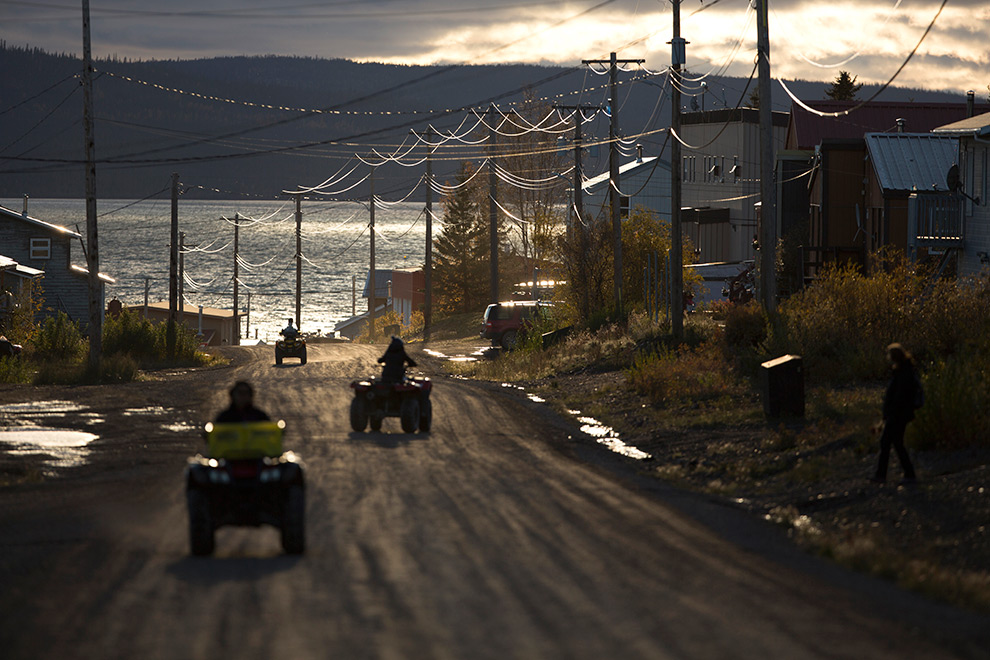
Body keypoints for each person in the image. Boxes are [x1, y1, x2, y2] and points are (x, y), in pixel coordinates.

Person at [872, 343, 918, 484]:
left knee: (886, 442)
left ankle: (882, 475)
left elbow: (898, 398)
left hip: (897, 415)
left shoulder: (902, 374)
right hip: (899, 414)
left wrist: (889, 413)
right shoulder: (905, 371)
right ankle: (908, 473)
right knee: (897, 443)